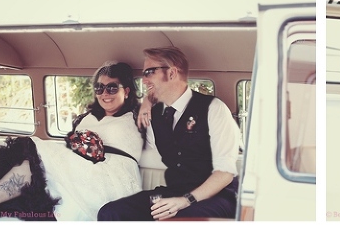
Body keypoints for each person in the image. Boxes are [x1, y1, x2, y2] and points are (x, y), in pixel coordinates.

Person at [0, 61, 143, 221]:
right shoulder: (89, 117)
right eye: (100, 88)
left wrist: (149, 102)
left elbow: (164, 102)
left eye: (111, 88)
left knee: (31, 148)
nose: (104, 94)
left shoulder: (138, 116)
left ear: (126, 91)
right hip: (81, 164)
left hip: (111, 176)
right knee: (25, 158)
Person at [98, 46, 241, 221]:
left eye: (150, 72)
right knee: (111, 212)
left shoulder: (214, 108)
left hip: (217, 196)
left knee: (179, 221)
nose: (144, 80)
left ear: (172, 73)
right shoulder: (153, 115)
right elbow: (135, 147)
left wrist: (185, 200)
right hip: (175, 191)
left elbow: (225, 173)